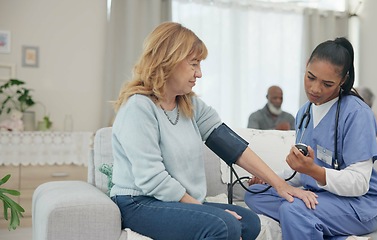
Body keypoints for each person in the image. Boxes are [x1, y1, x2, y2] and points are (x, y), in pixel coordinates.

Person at [110, 22, 314, 240]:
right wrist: (201, 209)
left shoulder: (189, 105)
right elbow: (151, 178)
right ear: (168, 61)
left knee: (249, 223)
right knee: (223, 226)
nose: (199, 73)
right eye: (194, 64)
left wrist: (281, 185)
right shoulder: (139, 107)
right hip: (140, 202)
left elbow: (233, 147)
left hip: (173, 201)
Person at [244, 37, 377, 239]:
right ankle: (316, 224)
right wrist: (272, 179)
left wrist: (314, 171)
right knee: (255, 194)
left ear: (343, 80)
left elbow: (359, 183)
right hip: (321, 198)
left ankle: (307, 220)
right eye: (310, 77)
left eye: (327, 84)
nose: (315, 89)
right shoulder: (304, 112)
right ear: (306, 67)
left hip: (359, 204)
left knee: (292, 210)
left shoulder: (357, 114)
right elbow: (301, 173)